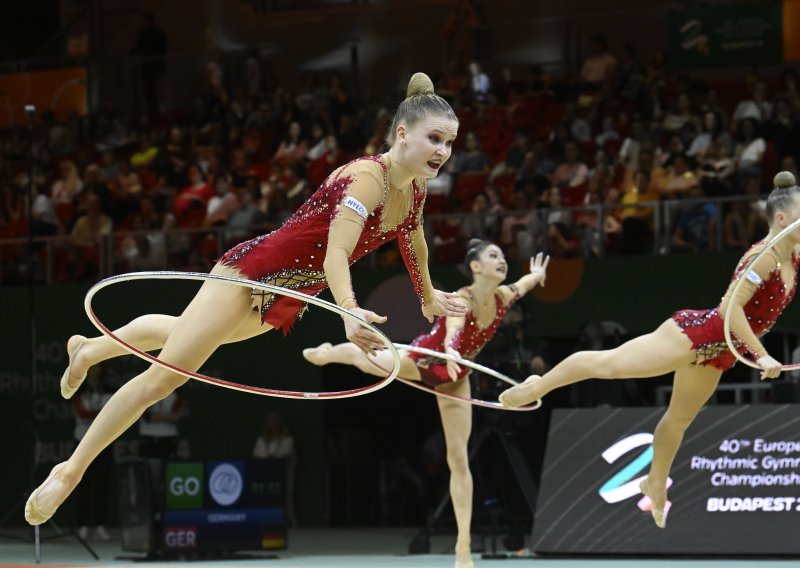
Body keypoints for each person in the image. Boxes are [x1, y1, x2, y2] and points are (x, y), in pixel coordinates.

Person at [25, 72, 468, 527]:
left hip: (289, 291)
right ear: (401, 133)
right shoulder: (367, 179)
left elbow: (413, 239)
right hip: (253, 273)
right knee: (166, 379)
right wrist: (350, 311)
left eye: (450, 143)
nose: (443, 152)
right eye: (434, 138)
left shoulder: (413, 189)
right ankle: (70, 470)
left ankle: (91, 348)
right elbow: (337, 251)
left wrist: (428, 297)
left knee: (185, 334)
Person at [501, 172, 800, 529]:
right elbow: (729, 311)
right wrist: (762, 355)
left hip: (719, 354)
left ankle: (655, 481)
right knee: (608, 365)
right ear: (781, 219)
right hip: (696, 336)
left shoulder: (793, 255)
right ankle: (538, 385)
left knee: (679, 420)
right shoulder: (763, 257)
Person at [303, 241, 549, 568]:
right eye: (493, 256)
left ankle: (463, 547)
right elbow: (453, 331)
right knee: (371, 361)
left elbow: (524, 285)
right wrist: (450, 349)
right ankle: (331, 352)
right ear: (475, 267)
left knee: (458, 459)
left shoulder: (503, 297)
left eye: (503, 256)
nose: (501, 260)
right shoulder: (463, 298)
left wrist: (537, 274)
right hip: (428, 357)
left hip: (456, 375)